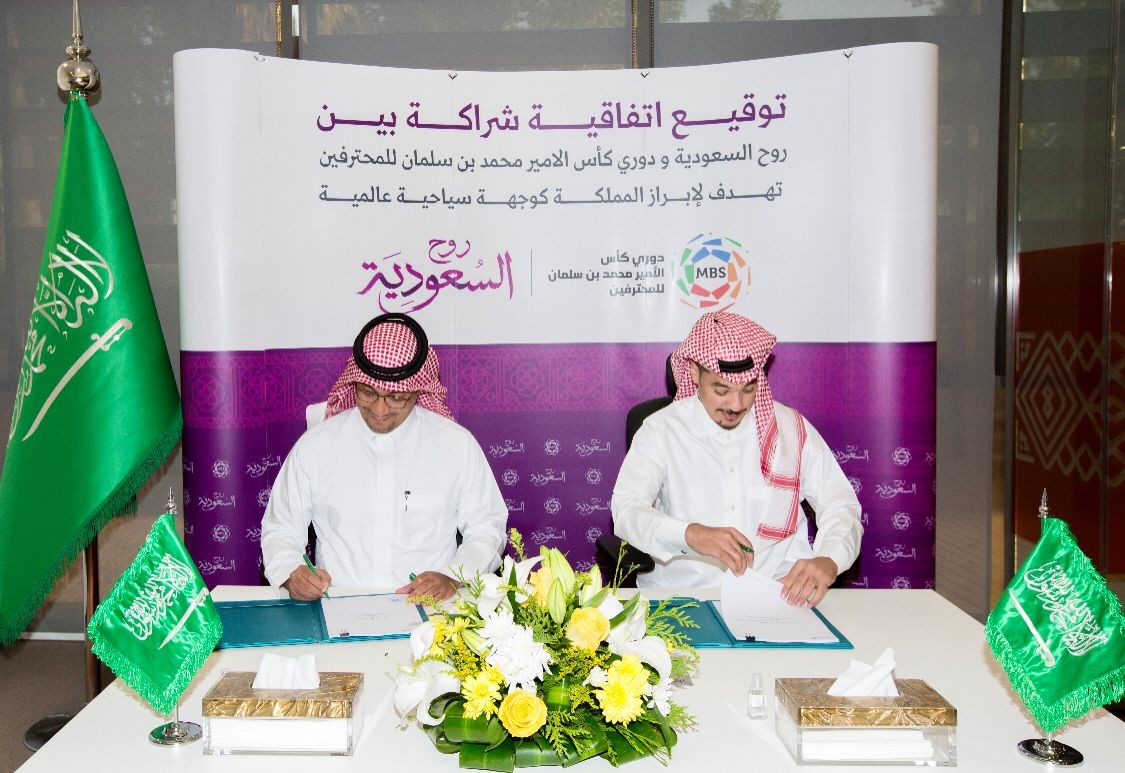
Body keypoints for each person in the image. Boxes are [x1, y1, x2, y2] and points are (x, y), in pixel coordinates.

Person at [611, 312, 862, 606]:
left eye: (748, 389)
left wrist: (828, 559)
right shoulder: (660, 430)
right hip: (683, 596)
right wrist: (690, 534)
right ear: (694, 373)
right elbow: (626, 509)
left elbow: (840, 505)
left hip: (778, 595)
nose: (736, 404)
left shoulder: (791, 429)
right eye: (721, 390)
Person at [261, 313, 507, 602]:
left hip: (432, 615)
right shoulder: (316, 447)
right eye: (368, 393)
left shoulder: (457, 446)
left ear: (417, 390)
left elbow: (486, 528)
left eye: (396, 397)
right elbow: (280, 530)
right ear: (355, 384)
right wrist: (292, 573)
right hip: (338, 609)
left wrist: (453, 577)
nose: (380, 410)